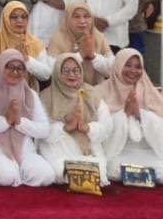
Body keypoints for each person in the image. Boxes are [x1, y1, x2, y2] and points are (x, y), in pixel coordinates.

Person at [0, 49, 55, 187]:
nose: (15, 72)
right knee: (7, 175)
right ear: (0, 67)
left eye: (20, 68)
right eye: (10, 67)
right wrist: (5, 121)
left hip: (24, 150)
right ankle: (14, 169)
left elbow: (44, 130)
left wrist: (19, 122)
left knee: (46, 175)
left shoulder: (30, 94)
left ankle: (19, 168)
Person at [99, 48, 163, 184]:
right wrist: (124, 114)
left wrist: (140, 114)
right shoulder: (100, 91)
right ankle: (142, 176)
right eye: (127, 65)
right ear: (118, 65)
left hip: (147, 151)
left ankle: (134, 175)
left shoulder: (149, 91)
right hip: (119, 151)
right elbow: (100, 128)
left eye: (138, 67)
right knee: (112, 169)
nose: (133, 71)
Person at [39, 53, 114, 186]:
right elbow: (42, 131)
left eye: (76, 70)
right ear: (57, 72)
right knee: (65, 173)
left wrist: (88, 128)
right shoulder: (46, 96)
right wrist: (66, 127)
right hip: (58, 147)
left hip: (88, 147)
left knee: (98, 176)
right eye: (65, 71)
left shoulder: (91, 93)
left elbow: (107, 127)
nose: (71, 74)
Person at [47, 2, 115, 85]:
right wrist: (80, 55)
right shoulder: (57, 39)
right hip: (65, 90)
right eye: (76, 17)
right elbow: (52, 71)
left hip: (95, 89)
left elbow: (113, 70)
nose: (82, 21)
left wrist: (93, 56)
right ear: (68, 19)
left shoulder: (98, 37)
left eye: (86, 16)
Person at [0, 1, 52, 88]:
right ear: (5, 19)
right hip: (0, 89)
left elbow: (46, 75)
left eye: (24, 17)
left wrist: (26, 58)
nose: (20, 20)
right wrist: (12, 57)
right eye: (14, 17)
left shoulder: (35, 42)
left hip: (28, 91)